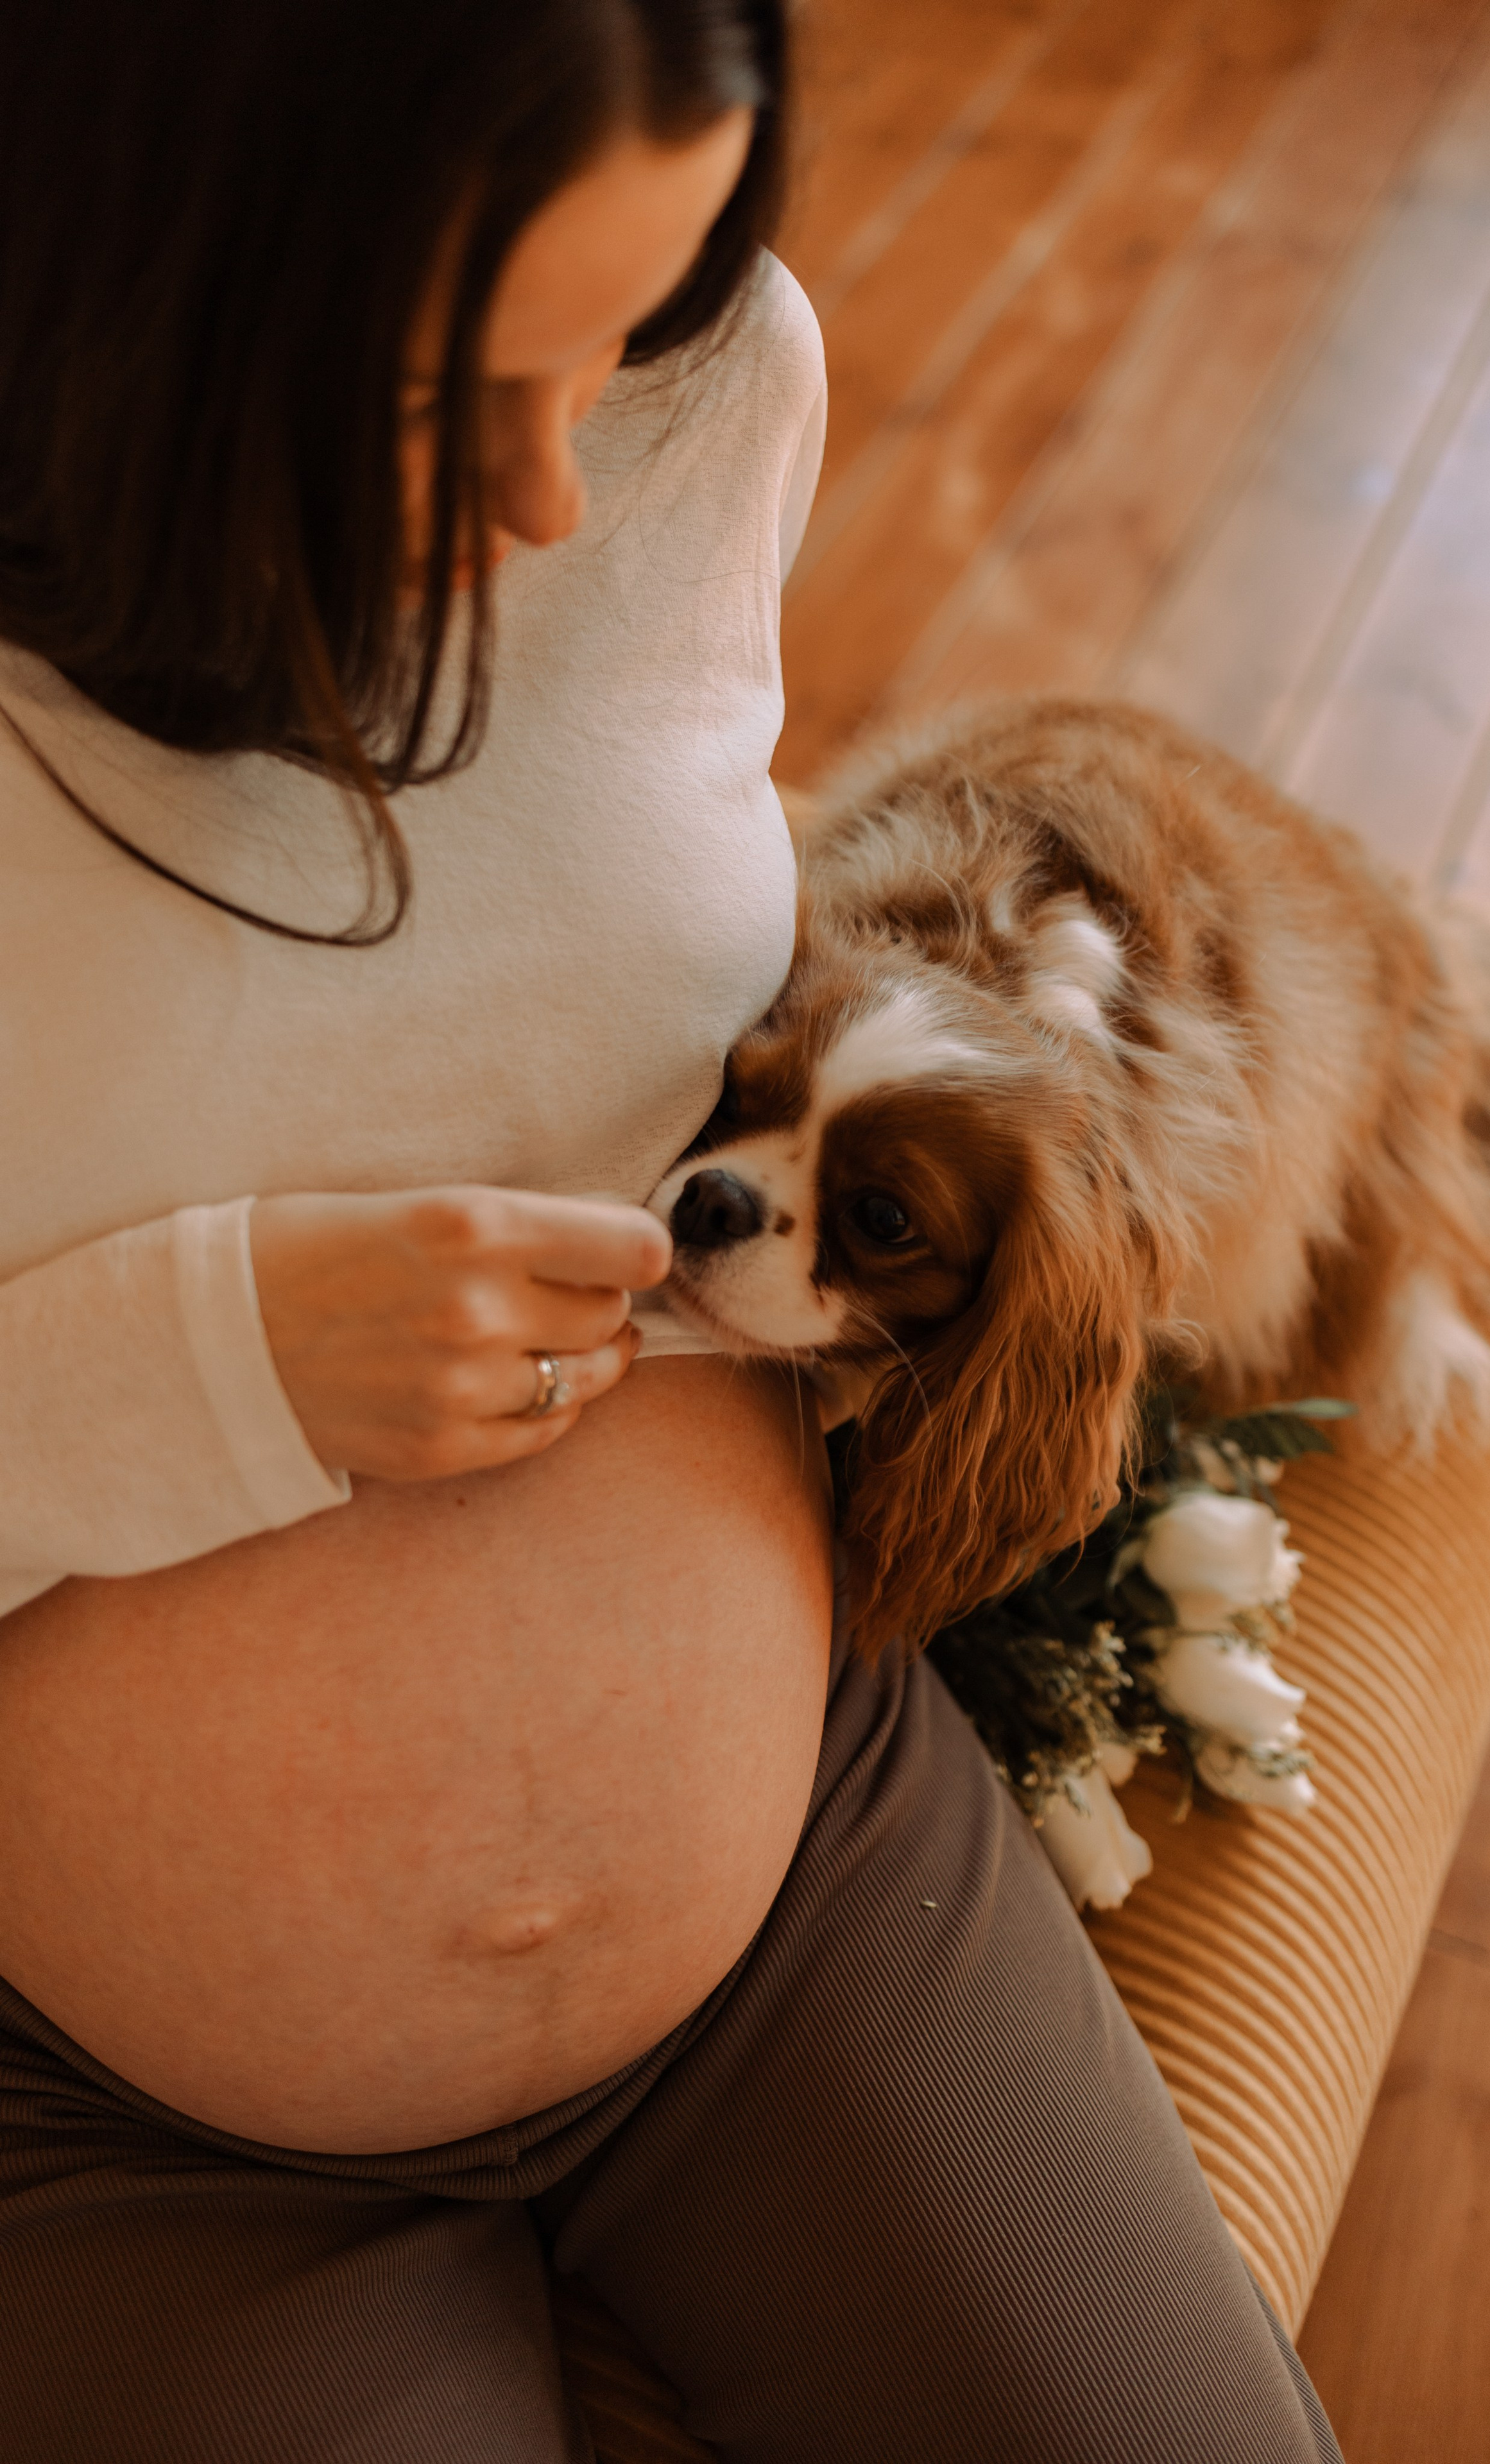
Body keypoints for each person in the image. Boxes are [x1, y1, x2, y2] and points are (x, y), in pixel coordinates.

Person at [0, 3, 1343, 2456]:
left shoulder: (704, 387)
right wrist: (205, 1364)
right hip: (119, 2112)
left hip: (811, 1875)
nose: (556, 498)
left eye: (614, 340)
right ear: (147, 290)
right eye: (444, 396)